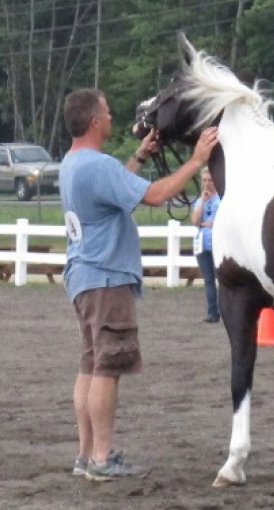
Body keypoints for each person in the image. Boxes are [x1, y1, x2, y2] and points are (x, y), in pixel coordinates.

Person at [59, 88, 218, 480]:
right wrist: (197, 160)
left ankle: (85, 454)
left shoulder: (72, 163)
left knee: (89, 364)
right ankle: (102, 458)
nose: (112, 118)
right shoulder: (99, 165)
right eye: (107, 112)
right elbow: (157, 194)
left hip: (83, 275)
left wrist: (141, 156)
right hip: (107, 277)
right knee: (108, 367)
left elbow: (115, 190)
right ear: (95, 121)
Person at [191, 167, 221, 323]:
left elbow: (220, 221)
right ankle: (212, 312)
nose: (207, 183)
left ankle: (225, 310)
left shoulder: (221, 200)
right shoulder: (199, 201)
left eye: (210, 180)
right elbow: (195, 221)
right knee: (209, 280)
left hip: (218, 244)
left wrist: (209, 223)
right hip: (202, 244)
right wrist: (202, 201)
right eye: (204, 180)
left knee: (222, 279)